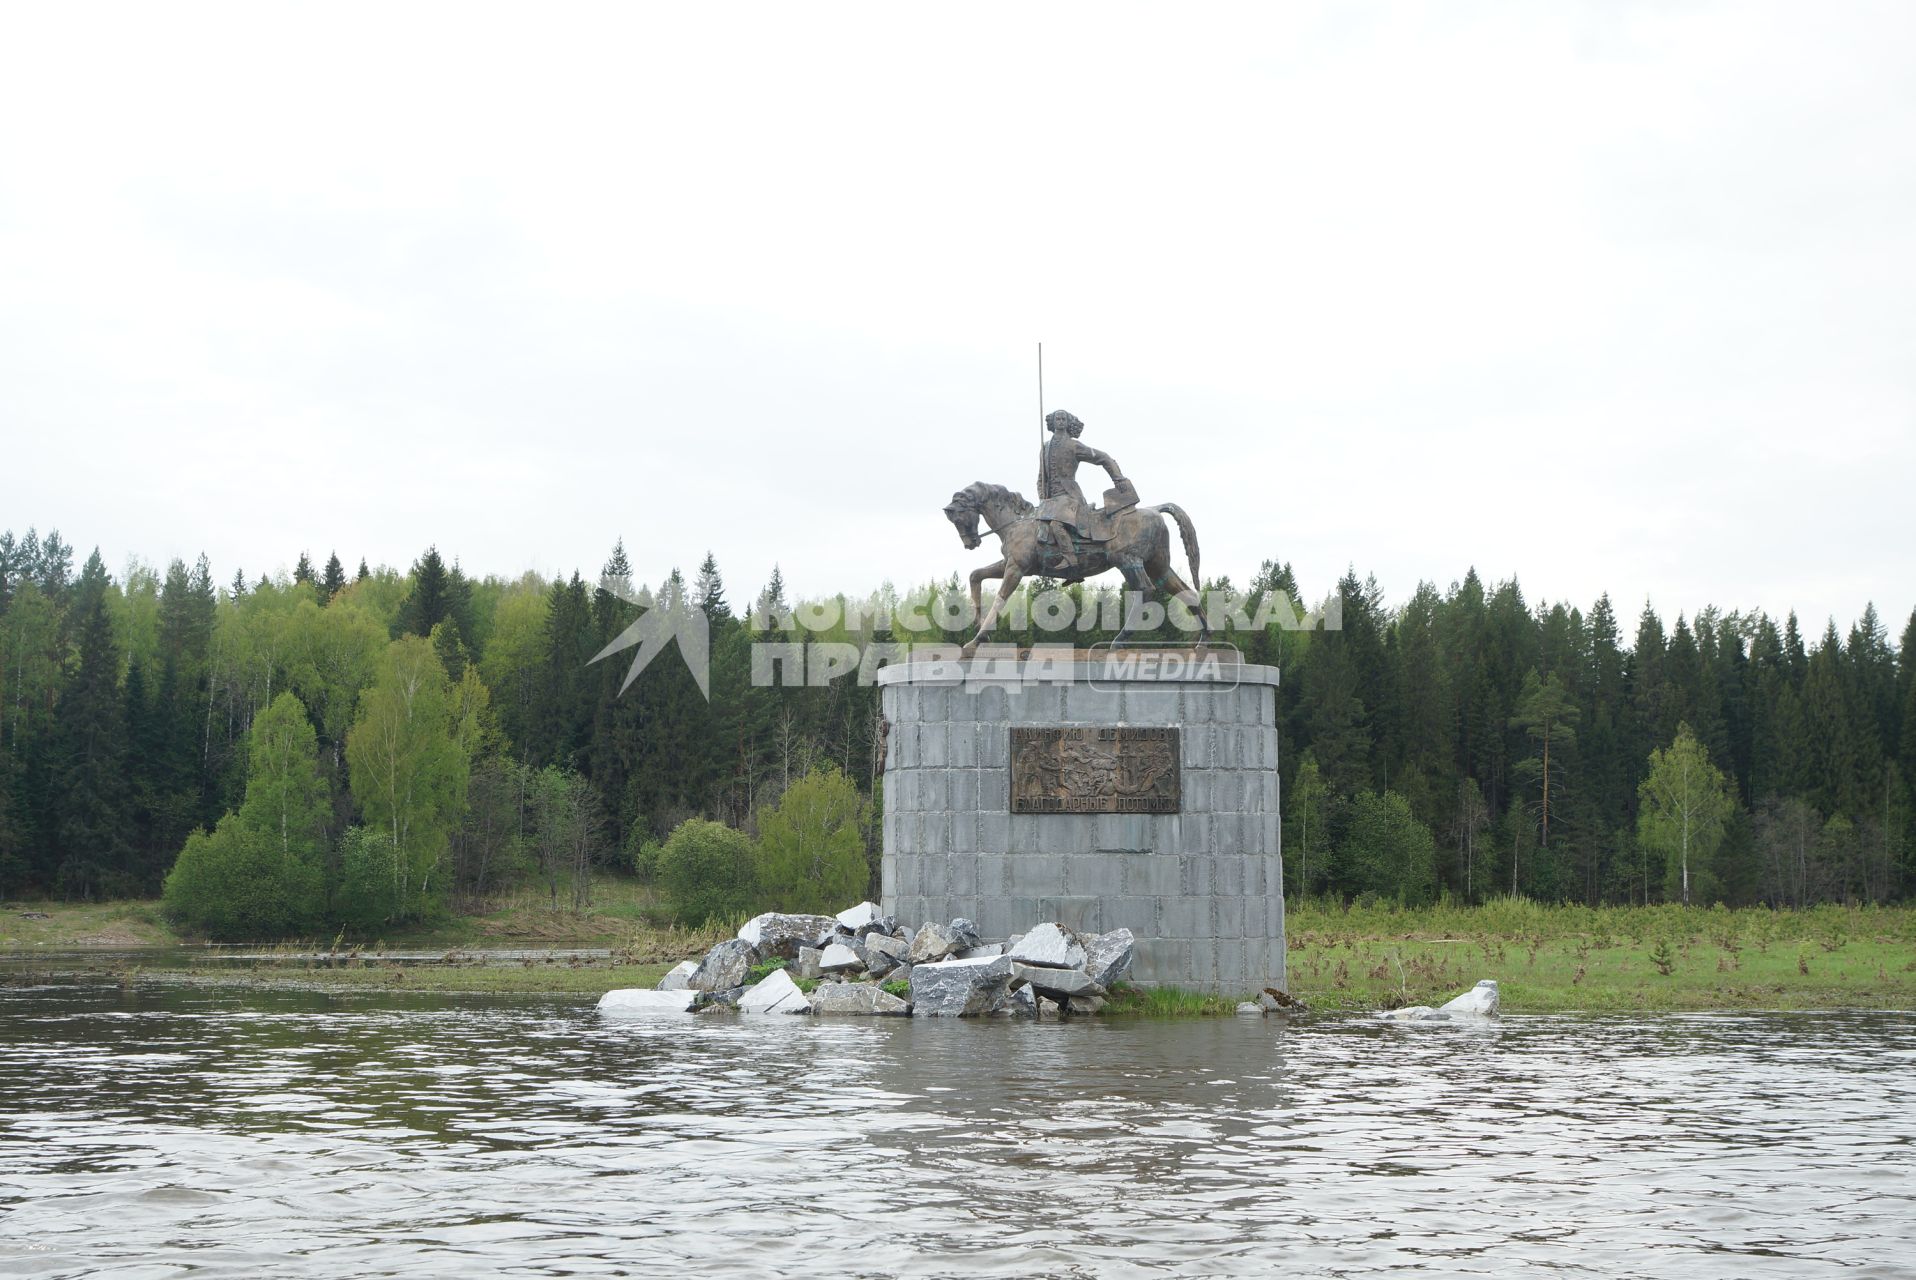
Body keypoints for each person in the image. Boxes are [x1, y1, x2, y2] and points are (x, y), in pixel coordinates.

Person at [1034, 410, 1125, 570]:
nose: (1060, 421)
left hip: (1069, 497)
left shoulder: (1073, 445)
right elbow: (1042, 477)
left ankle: (1071, 559)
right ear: (1053, 422)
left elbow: (1103, 457)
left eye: (1063, 419)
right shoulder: (1045, 447)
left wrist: (1118, 478)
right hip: (1050, 500)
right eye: (1058, 419)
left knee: (1057, 525)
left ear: (1068, 423)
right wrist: (1042, 498)